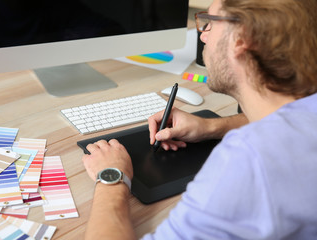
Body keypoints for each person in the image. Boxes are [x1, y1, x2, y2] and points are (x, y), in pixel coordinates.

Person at [81, 0, 317, 239]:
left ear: (241, 38)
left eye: (210, 24)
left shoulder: (250, 159)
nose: (202, 37)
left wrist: (112, 177)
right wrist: (213, 126)